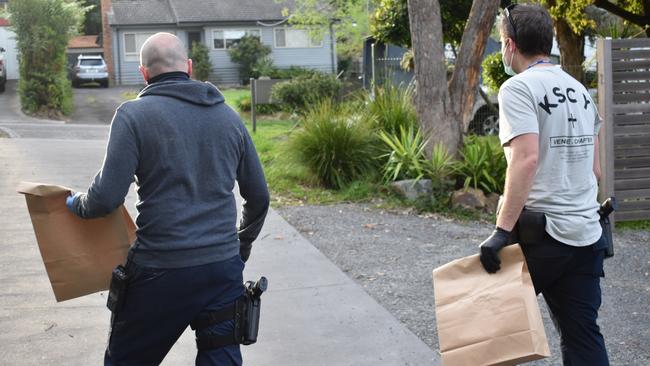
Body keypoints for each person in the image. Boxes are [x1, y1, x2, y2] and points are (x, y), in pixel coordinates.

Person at [66, 32, 270, 365]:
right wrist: (239, 247)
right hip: (221, 270)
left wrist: (75, 203)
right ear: (188, 67)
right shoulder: (229, 118)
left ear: (144, 73)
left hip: (161, 269)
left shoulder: (133, 116)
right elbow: (259, 197)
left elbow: (105, 199)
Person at [477, 4, 609, 366]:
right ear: (548, 42)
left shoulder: (517, 89)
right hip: (587, 234)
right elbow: (595, 170)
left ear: (509, 44)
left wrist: (502, 232)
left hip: (542, 239)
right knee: (583, 336)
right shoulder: (579, 90)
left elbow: (526, 159)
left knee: (485, 330)